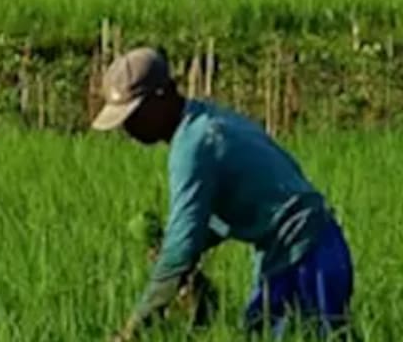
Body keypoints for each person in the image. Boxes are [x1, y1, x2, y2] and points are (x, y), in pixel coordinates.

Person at [93, 48, 355, 340]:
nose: (129, 127)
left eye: (135, 114)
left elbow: (181, 247)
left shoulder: (193, 146)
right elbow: (231, 210)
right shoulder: (207, 121)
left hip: (306, 253)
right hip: (293, 248)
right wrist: (187, 250)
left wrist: (132, 329)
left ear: (163, 95)